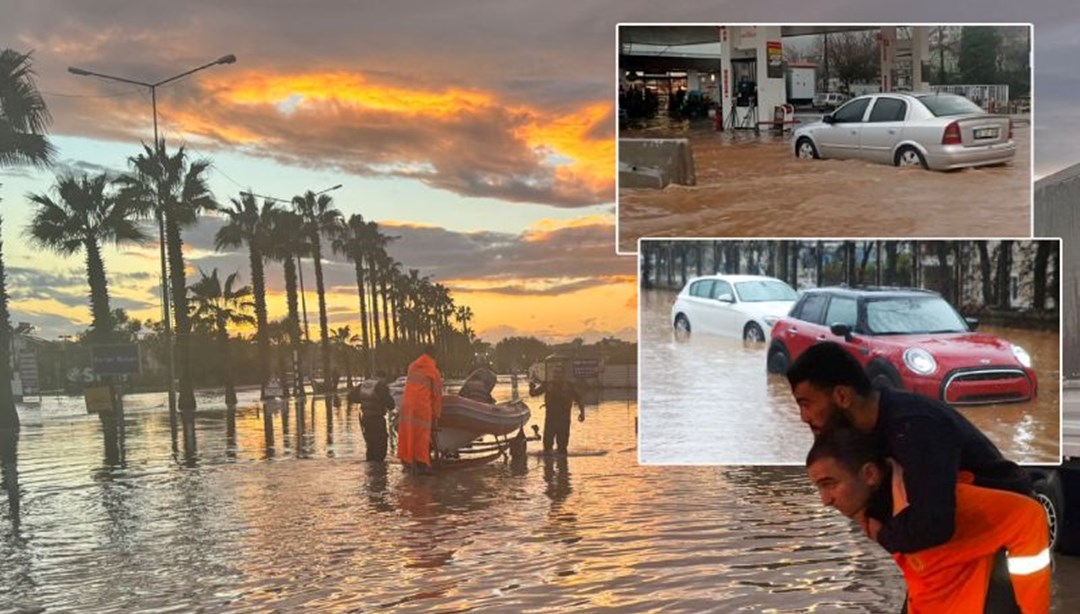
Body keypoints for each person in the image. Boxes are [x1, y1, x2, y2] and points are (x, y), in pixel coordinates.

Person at [786, 341, 1031, 554]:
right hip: (954, 534)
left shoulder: (915, 427)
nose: (803, 417)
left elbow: (934, 525)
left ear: (842, 396)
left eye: (806, 404)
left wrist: (881, 534)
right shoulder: (868, 427)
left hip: (999, 531)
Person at [806, 426, 1050, 614]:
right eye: (819, 488)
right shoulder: (877, 514)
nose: (825, 500)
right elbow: (923, 575)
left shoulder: (941, 502)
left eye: (830, 485)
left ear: (869, 474)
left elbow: (1028, 516)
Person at [397, 345, 443, 474]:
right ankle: (422, 463)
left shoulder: (412, 366)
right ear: (435, 355)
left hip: (407, 406)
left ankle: (407, 461)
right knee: (422, 435)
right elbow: (437, 396)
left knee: (408, 434)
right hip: (422, 407)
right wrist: (436, 415)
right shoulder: (433, 371)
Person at [529, 364, 584, 456]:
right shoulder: (547, 385)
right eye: (555, 372)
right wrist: (531, 387)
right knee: (547, 445)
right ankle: (548, 468)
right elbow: (534, 394)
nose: (556, 375)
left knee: (562, 447)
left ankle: (562, 467)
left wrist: (582, 413)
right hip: (550, 419)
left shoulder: (569, 386)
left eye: (558, 373)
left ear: (563, 374)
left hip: (564, 420)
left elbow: (579, 400)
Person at [348, 370, 395, 462]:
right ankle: (379, 467)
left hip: (365, 418)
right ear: (383, 378)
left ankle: (370, 465)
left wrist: (362, 401)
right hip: (377, 419)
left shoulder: (363, 385)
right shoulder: (381, 386)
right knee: (381, 443)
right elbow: (391, 404)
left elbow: (350, 397)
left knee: (370, 443)